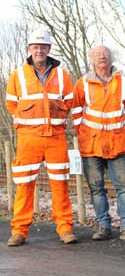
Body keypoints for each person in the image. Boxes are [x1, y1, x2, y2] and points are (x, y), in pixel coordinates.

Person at [5, 30, 77, 246]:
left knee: (60, 184)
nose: (39, 50)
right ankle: (19, 230)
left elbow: (69, 102)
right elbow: (11, 104)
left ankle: (65, 228)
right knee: (24, 184)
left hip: (56, 138)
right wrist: (24, 122)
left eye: (43, 46)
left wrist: (58, 117)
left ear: (49, 49)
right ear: (29, 49)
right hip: (28, 138)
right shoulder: (17, 75)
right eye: (35, 46)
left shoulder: (63, 75)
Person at [71, 45, 125, 242]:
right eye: (97, 55)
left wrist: (120, 130)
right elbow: (76, 112)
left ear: (111, 58)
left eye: (105, 54)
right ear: (92, 60)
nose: (102, 57)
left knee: (124, 187)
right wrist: (84, 135)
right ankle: (103, 227)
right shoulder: (82, 83)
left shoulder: (123, 82)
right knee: (96, 188)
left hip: (116, 144)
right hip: (91, 145)